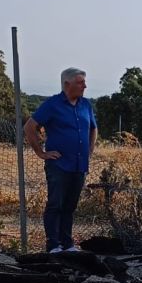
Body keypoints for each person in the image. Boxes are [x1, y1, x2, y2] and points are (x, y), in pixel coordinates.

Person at [25, 67, 97, 254]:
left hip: (79, 165)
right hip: (59, 165)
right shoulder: (52, 105)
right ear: (67, 84)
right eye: (80, 82)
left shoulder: (86, 105)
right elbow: (29, 127)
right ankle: (53, 245)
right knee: (55, 204)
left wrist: (90, 149)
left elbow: (93, 128)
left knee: (70, 206)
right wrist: (41, 152)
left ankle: (68, 244)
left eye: (84, 82)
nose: (85, 86)